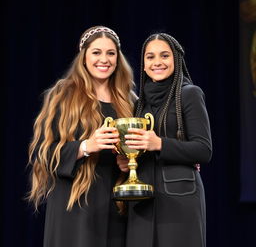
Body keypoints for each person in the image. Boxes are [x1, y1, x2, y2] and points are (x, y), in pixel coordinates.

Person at [28, 26, 136, 247]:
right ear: (84, 57)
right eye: (96, 52)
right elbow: (43, 153)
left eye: (110, 53)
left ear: (118, 58)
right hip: (74, 207)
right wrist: (86, 146)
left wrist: (130, 164)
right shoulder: (64, 95)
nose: (104, 59)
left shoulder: (130, 100)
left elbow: (143, 148)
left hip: (116, 211)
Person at [118, 33, 212, 247]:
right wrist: (128, 162)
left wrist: (159, 144)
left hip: (180, 199)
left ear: (176, 60)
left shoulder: (189, 94)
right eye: (150, 57)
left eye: (164, 56)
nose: (157, 62)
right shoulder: (139, 103)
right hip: (142, 200)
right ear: (143, 65)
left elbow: (204, 149)